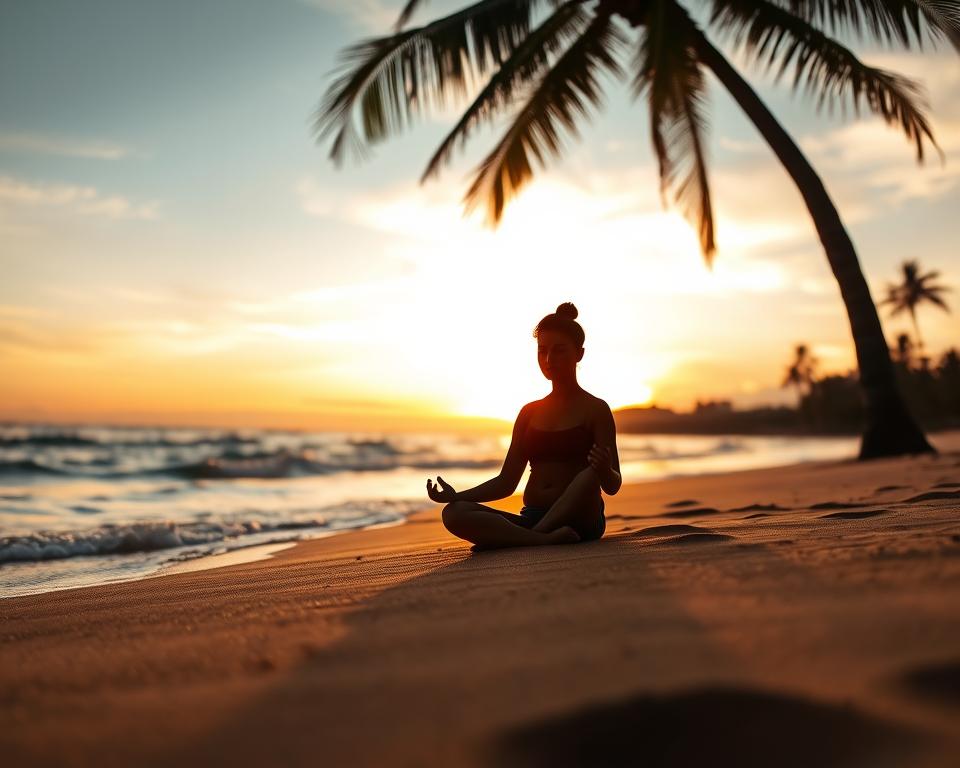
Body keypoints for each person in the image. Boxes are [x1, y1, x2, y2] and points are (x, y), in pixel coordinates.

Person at [426, 302, 622, 549]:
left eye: (559, 350)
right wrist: (456, 497)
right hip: (532, 517)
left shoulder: (596, 409)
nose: (549, 359)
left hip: (581, 520)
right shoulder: (529, 412)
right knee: (454, 513)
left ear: (579, 354)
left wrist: (604, 469)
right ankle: (538, 538)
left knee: (590, 474)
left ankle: (523, 539)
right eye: (542, 351)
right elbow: (506, 482)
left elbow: (612, 484)